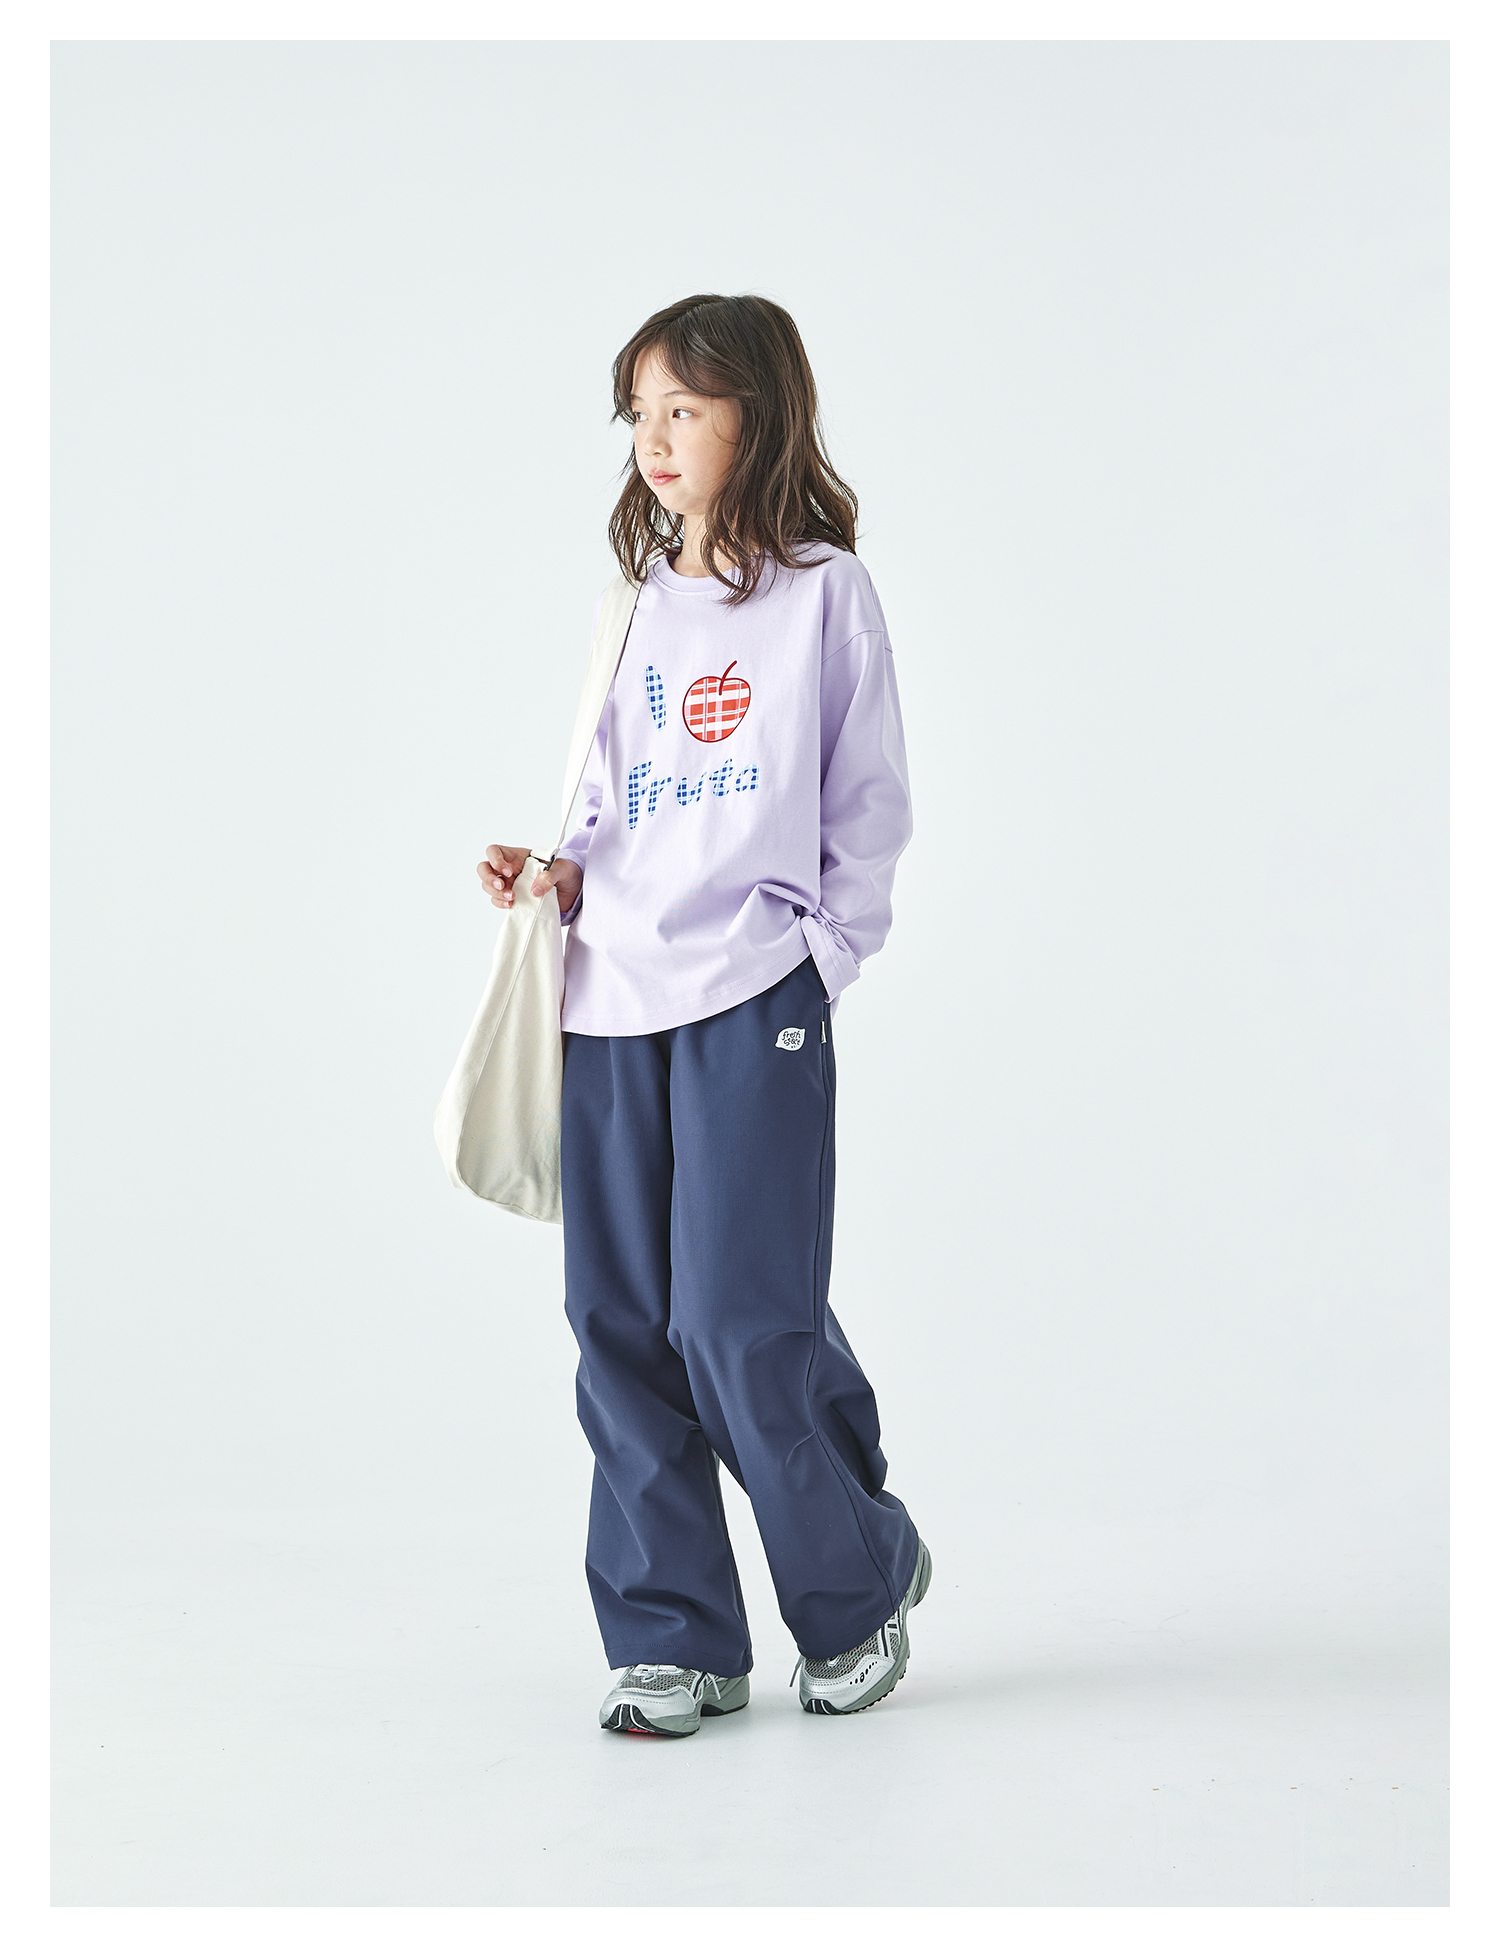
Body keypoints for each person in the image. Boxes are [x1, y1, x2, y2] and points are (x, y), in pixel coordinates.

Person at [477, 293, 930, 1737]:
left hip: (752, 994)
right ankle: (675, 1637)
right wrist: (556, 874)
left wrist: (820, 959)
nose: (656, 440)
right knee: (621, 1326)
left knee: (739, 1319)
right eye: (641, 414)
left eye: (684, 409)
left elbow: (868, 802)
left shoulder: (823, 593)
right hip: (604, 994)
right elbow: (614, 803)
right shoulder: (631, 607)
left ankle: (855, 1587)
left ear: (759, 415)